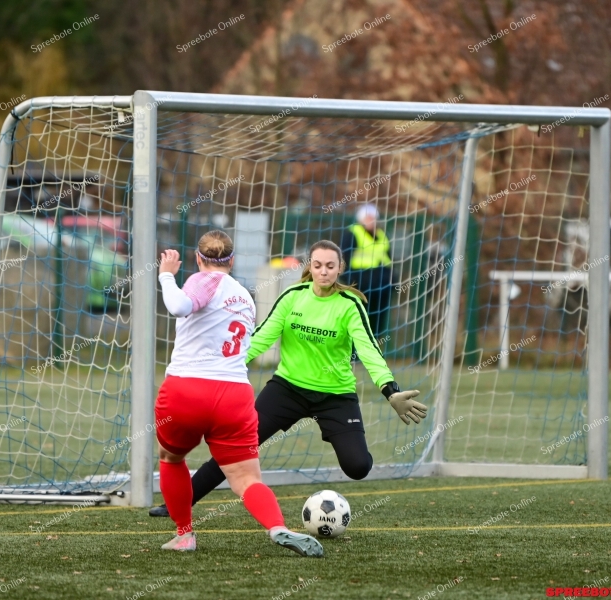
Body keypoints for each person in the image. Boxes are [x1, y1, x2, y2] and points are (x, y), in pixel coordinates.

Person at [149, 239, 426, 518]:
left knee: (357, 467)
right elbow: (259, 339)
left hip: (335, 395)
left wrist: (390, 390)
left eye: (330, 266)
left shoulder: (350, 305)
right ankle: (181, 503)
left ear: (340, 268)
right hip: (287, 390)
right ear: (310, 267)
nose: (324, 271)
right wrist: (221, 367)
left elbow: (368, 350)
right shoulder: (293, 296)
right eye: (317, 265)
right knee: (236, 449)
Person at [153, 230, 323, 557]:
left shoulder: (203, 280)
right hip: (234, 395)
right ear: (231, 260)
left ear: (198, 258)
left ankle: (184, 534)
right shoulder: (244, 296)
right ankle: (277, 526)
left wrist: (165, 275)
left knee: (171, 457)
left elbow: (177, 306)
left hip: (187, 389)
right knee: (246, 478)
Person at [340, 203, 394, 340]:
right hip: (360, 282)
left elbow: (387, 257)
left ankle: (372, 347)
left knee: (377, 318)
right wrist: (350, 281)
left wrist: (391, 278)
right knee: (359, 316)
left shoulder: (382, 235)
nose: (370, 220)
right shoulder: (353, 233)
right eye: (367, 217)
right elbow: (343, 258)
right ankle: (353, 351)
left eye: (372, 217)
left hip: (381, 282)